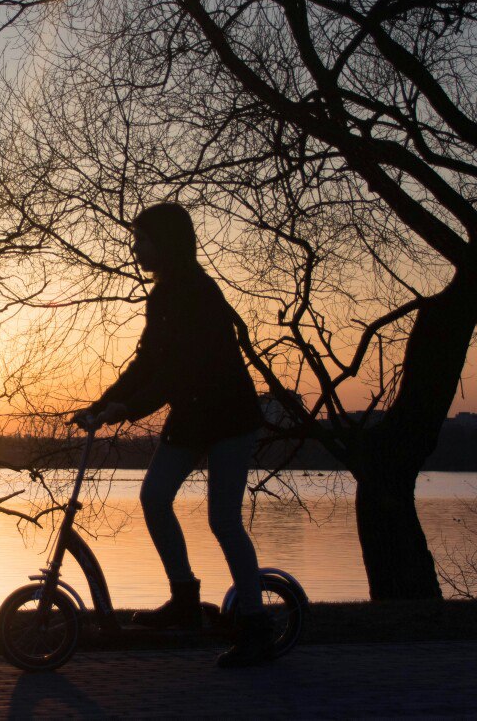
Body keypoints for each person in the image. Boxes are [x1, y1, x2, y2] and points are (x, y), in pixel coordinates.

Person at [73, 202, 275, 668]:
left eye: (141, 239)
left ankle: (256, 625)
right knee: (154, 495)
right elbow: (148, 361)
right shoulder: (161, 295)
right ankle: (184, 596)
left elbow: (183, 369)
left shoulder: (198, 293)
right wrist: (103, 405)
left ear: (165, 243)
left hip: (228, 417)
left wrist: (131, 407)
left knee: (223, 520)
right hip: (192, 415)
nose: (135, 247)